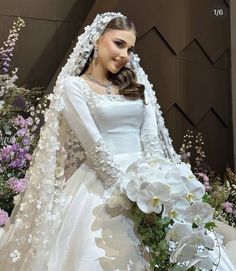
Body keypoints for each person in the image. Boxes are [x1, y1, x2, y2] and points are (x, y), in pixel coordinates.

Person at [0, 12, 235, 271]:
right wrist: (128, 193)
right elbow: (94, 146)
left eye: (130, 48)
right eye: (119, 44)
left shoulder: (136, 83)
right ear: (98, 40)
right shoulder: (73, 87)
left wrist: (160, 180)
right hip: (104, 183)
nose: (125, 54)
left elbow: (150, 138)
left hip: (151, 178)